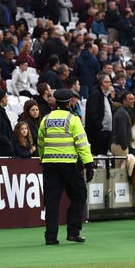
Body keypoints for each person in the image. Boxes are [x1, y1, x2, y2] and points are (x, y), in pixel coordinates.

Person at [38, 88, 94, 245]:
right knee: (79, 195)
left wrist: (43, 159)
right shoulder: (73, 119)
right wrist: (89, 164)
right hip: (69, 165)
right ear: (69, 103)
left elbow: (40, 142)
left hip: (50, 165)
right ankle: (73, 232)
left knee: (51, 202)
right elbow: (82, 143)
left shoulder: (46, 119)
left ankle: (50, 237)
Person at [85, 73, 113, 155]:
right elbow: (93, 113)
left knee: (103, 154)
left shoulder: (106, 95)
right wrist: (99, 126)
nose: (110, 84)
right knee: (98, 154)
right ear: (103, 83)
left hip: (106, 131)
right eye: (108, 82)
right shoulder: (96, 94)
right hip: (98, 132)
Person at [110, 91, 135, 160]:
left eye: (133, 99)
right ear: (124, 101)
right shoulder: (122, 113)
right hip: (120, 146)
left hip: (120, 145)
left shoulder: (123, 111)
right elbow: (122, 131)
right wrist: (124, 146)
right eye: (130, 99)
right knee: (120, 169)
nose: (133, 101)